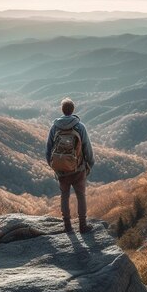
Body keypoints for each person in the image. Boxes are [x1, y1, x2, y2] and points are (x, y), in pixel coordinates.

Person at [46, 98, 94, 233]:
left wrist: (54, 165)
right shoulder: (80, 126)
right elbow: (87, 148)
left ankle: (67, 226)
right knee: (81, 196)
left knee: (64, 196)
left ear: (62, 110)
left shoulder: (55, 127)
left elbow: (48, 149)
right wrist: (89, 164)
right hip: (79, 169)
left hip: (61, 171)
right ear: (73, 110)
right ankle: (83, 226)